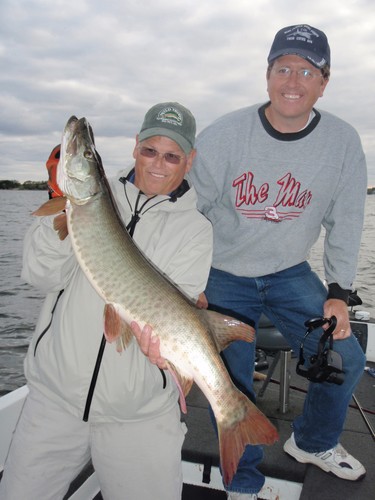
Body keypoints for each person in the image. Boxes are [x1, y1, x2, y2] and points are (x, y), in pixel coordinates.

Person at [187, 24, 367, 499]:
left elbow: (346, 222)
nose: (294, 80)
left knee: (345, 357)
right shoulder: (225, 134)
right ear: (267, 76)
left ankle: (312, 441)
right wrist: (185, 281)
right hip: (221, 273)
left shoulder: (344, 142)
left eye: (307, 70)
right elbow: (185, 212)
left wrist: (339, 294)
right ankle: (243, 482)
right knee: (229, 380)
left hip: (290, 273)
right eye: (283, 67)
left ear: (324, 82)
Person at [0, 102, 213, 500]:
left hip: (140, 416)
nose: (158, 165)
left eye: (172, 156)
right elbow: (38, 274)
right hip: (55, 402)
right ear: (135, 147)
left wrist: (164, 354)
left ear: (190, 160)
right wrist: (58, 202)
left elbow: (175, 307)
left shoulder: (196, 230)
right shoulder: (87, 200)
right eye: (150, 150)